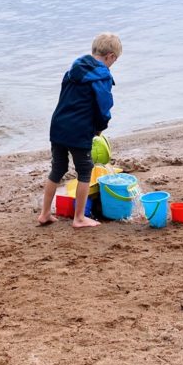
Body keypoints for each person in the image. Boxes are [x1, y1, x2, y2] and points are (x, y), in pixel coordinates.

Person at [38, 32, 122, 229]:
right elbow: (104, 106)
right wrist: (100, 128)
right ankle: (79, 218)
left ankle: (44, 214)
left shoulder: (73, 69)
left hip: (58, 124)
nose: (113, 64)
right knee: (85, 170)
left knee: (57, 169)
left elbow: (66, 97)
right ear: (110, 56)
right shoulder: (102, 76)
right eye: (114, 60)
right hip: (79, 129)